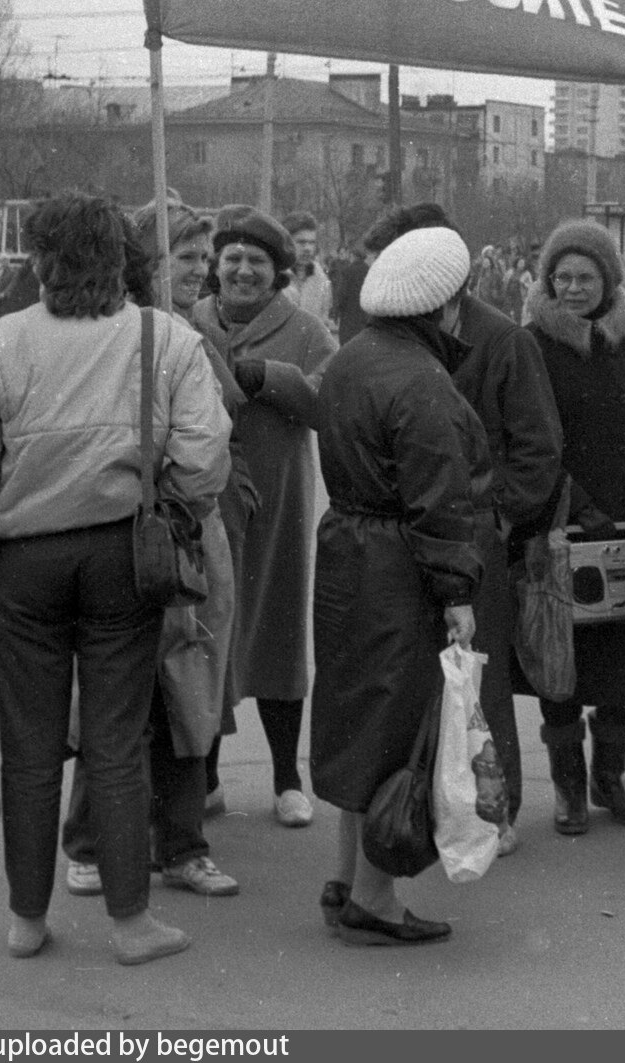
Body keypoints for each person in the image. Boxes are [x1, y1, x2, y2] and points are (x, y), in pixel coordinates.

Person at [0, 193, 231, 965]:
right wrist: (169, 504)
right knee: (117, 738)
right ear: (122, 262)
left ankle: (26, 918)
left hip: (24, 566)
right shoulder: (164, 338)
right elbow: (206, 455)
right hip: (122, 557)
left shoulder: (0, 345)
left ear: (40, 261)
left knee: (32, 746)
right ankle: (132, 922)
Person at [59, 206, 249, 905]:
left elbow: (217, 429)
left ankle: (183, 844)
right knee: (117, 692)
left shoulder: (189, 335)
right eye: (184, 257)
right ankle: (89, 840)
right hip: (119, 530)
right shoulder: (102, 337)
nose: (199, 268)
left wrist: (176, 506)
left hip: (185, 533)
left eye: (204, 256)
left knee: (186, 681)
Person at [368, 204, 566, 856]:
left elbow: (539, 449)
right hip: (409, 534)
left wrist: (497, 519)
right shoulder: (389, 338)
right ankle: (432, 802)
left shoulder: (504, 340)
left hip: (474, 540)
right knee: (418, 675)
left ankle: (496, 807)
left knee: (481, 681)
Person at [310, 226, 488, 945]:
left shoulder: (351, 359)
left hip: (347, 549)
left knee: (355, 711)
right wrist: (458, 594)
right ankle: (375, 899)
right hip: (398, 566)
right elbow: (440, 498)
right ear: (442, 306)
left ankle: (346, 874)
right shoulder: (423, 381)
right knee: (395, 724)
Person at [524, 220, 625, 836]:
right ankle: (566, 788)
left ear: (609, 279)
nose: (572, 287)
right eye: (561, 277)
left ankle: (609, 777)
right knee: (560, 666)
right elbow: (531, 440)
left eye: (584, 276)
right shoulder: (531, 344)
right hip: (562, 526)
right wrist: (576, 504)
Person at [191, 207, 338, 828]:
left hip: (278, 503)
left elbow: (333, 402)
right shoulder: (192, 322)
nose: (243, 271)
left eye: (257, 262)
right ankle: (206, 775)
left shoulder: (305, 330)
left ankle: (286, 778)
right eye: (233, 260)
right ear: (216, 267)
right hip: (208, 501)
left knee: (276, 631)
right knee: (208, 636)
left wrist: (271, 378)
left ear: (278, 272)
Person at [284, 212, 333, 330]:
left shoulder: (321, 279)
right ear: (286, 242)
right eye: (301, 242)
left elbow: (323, 322)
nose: (307, 248)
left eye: (311, 243)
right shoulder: (273, 276)